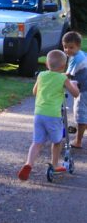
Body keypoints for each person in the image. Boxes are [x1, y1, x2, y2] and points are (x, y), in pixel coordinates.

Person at [18, 49, 79, 181]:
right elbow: (75, 94)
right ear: (64, 66)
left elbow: (34, 92)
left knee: (37, 142)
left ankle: (29, 163)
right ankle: (55, 165)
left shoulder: (41, 75)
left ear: (46, 64)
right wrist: (74, 85)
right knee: (57, 141)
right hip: (53, 116)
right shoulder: (63, 78)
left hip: (39, 114)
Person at [62, 31, 87, 148]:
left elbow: (67, 75)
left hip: (83, 90)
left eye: (71, 47)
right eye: (65, 47)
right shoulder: (81, 54)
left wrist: (53, 78)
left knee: (80, 114)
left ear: (78, 46)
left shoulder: (76, 59)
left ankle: (78, 141)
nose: (67, 50)